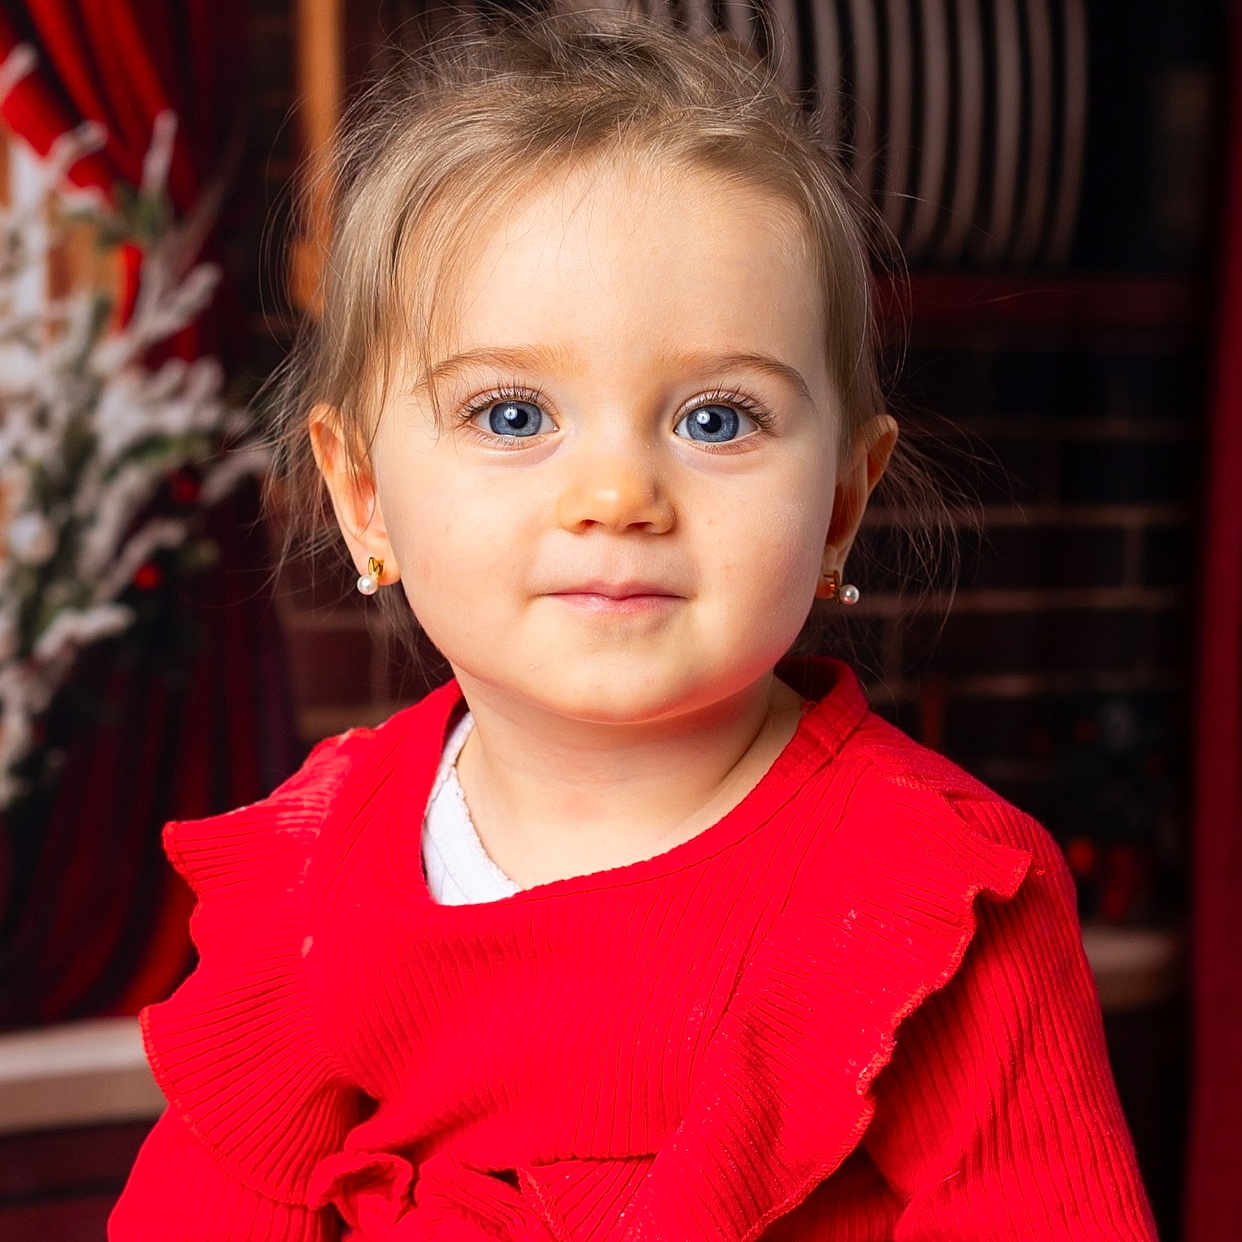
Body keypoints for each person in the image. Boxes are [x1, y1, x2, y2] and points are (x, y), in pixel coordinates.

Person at [109, 5, 1160, 1240]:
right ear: (362, 496)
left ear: (839, 504)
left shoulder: (936, 902)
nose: (616, 496)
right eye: (511, 415)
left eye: (717, 419)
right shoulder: (309, 871)